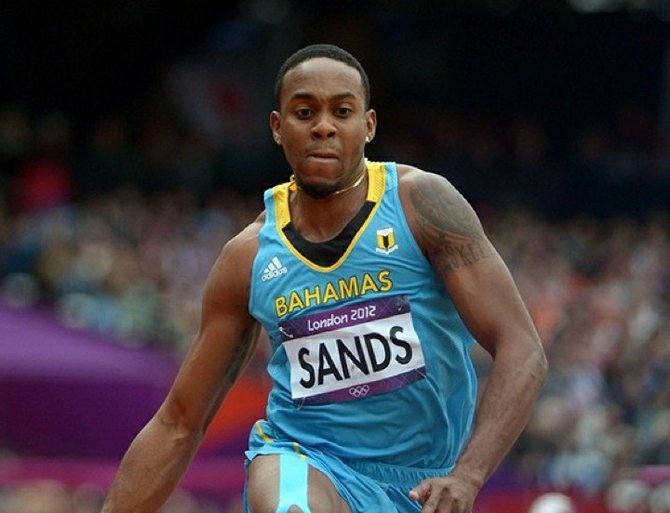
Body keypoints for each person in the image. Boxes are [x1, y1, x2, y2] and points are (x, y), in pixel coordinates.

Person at [100, 43, 547, 513]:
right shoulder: (248, 257)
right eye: (305, 111)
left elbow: (522, 348)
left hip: (425, 483)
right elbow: (179, 422)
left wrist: (468, 475)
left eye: (342, 111)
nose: (324, 126)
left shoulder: (424, 207)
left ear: (368, 125)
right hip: (305, 460)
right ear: (278, 127)